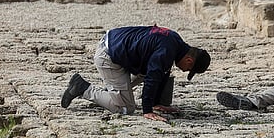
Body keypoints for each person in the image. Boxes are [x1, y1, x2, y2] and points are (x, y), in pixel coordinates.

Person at [61, 25, 211, 122]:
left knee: (157, 71)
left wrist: (157, 103)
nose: (185, 71)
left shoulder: (175, 40)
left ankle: (113, 91)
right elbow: (153, 77)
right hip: (109, 57)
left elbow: (161, 73)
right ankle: (83, 88)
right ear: (189, 61)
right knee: (126, 108)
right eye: (188, 69)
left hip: (115, 44)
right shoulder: (167, 52)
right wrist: (147, 110)